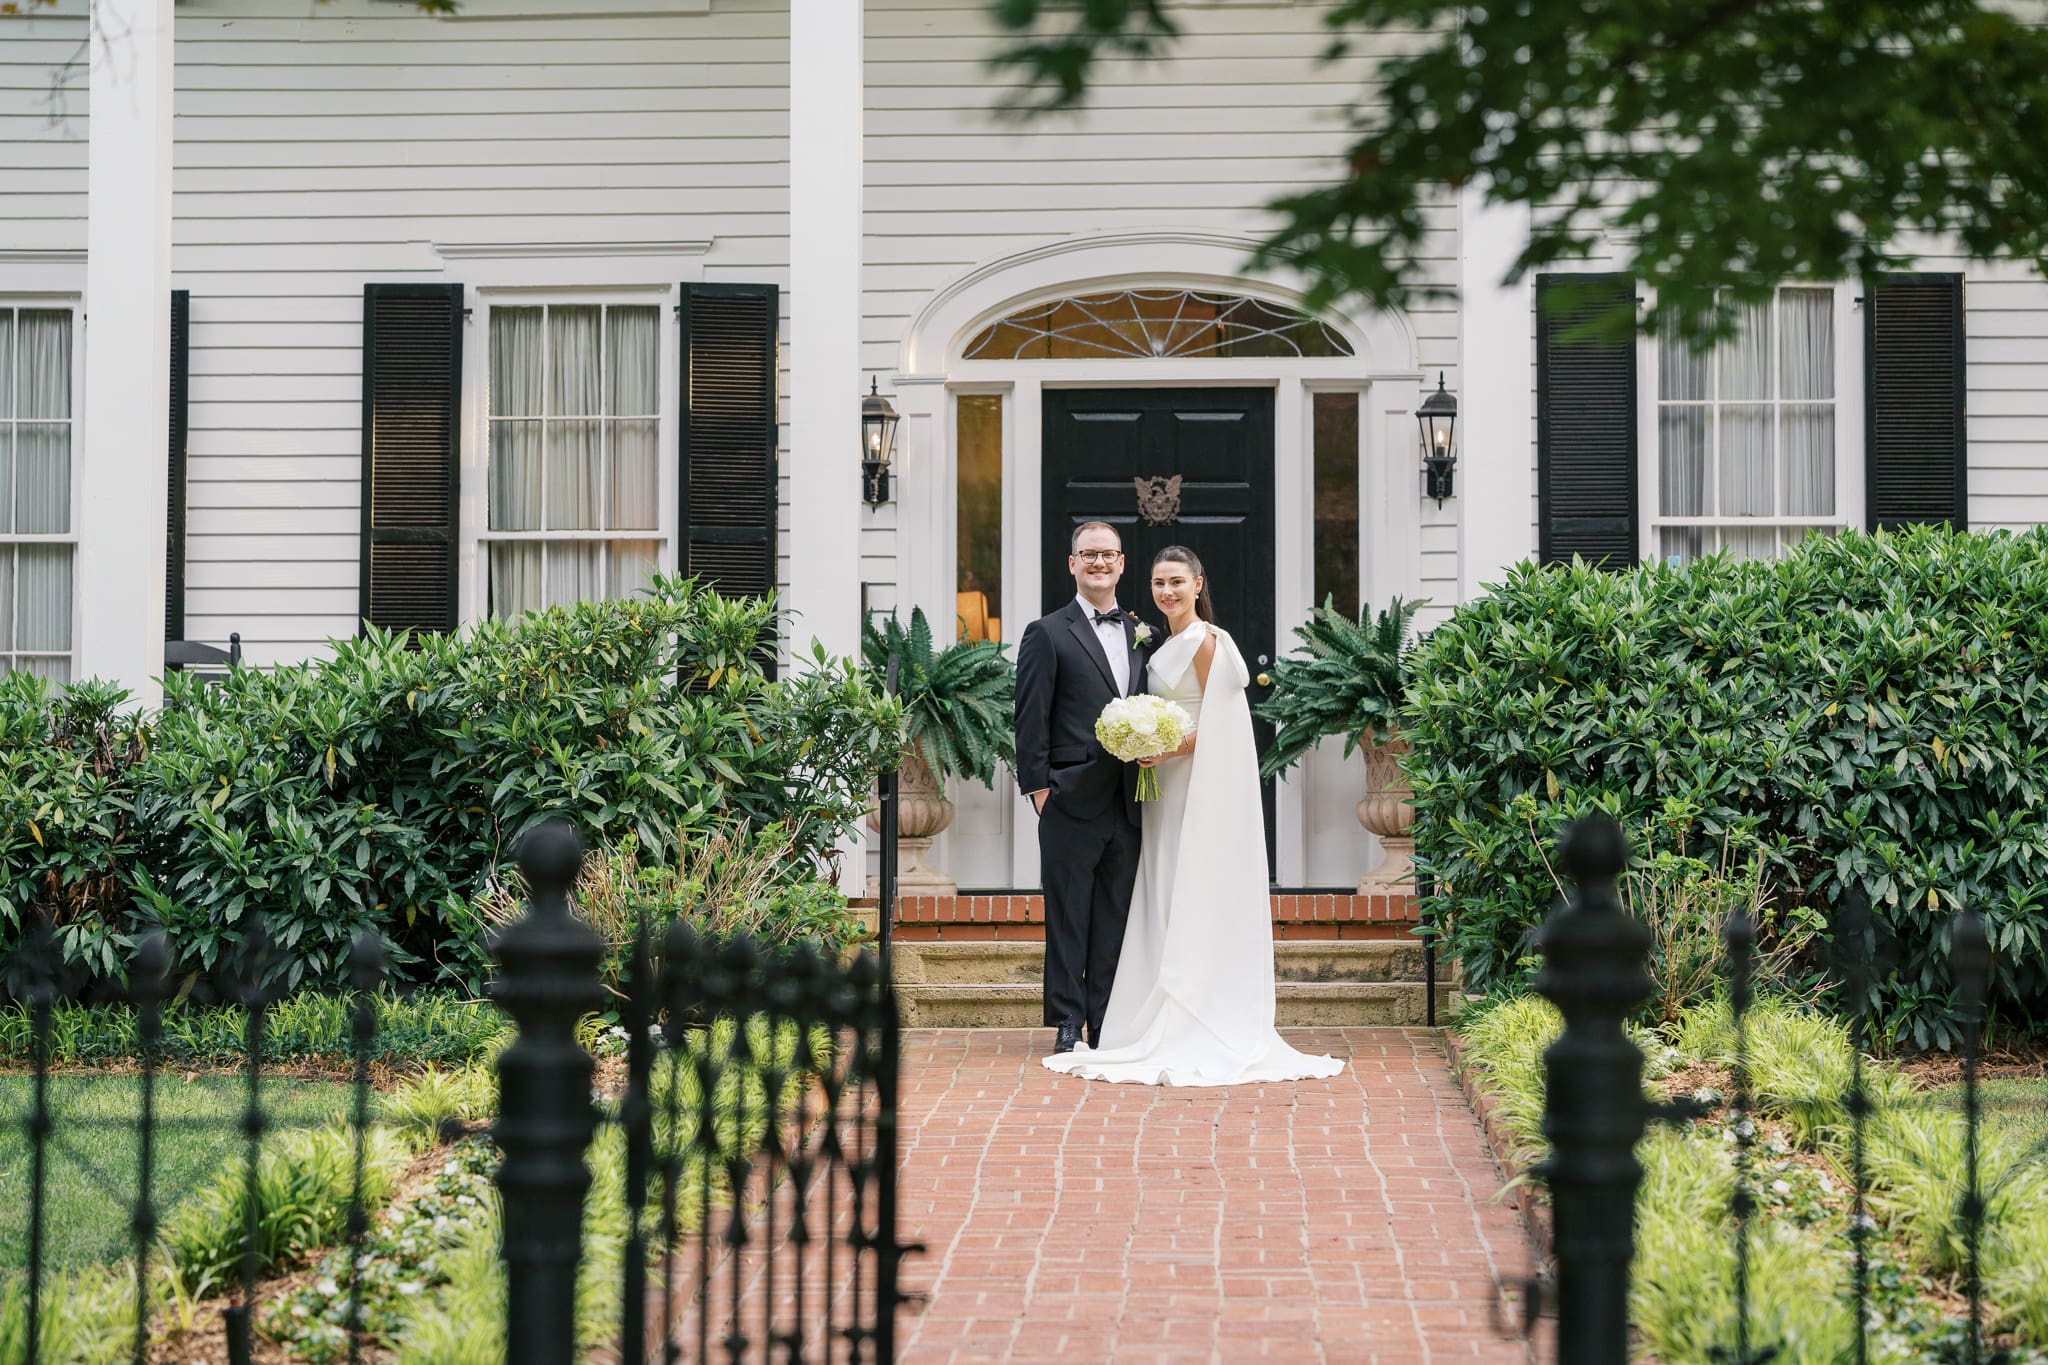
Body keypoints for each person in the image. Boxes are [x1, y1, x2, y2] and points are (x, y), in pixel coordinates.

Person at [1044, 545, 1345, 1086]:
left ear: (1199, 584)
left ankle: (1197, 1006)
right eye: (1159, 583)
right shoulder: (1157, 641)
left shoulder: (1208, 642)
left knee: (1193, 885)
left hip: (1192, 783)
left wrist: (1166, 747)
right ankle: (1152, 1001)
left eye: (1178, 582)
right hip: (1159, 793)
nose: (1168, 592)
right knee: (1160, 886)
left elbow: (1226, 727)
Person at [1013, 521, 1151, 1055]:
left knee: (1116, 913)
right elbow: (1029, 717)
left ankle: (1107, 1019)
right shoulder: (1046, 632)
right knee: (1069, 914)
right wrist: (1041, 791)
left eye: (1108, 555)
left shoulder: (1141, 631)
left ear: (1121, 564)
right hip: (1070, 797)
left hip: (1132, 799)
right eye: (1087, 554)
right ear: (1072, 564)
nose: (1098, 563)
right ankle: (1068, 1021)